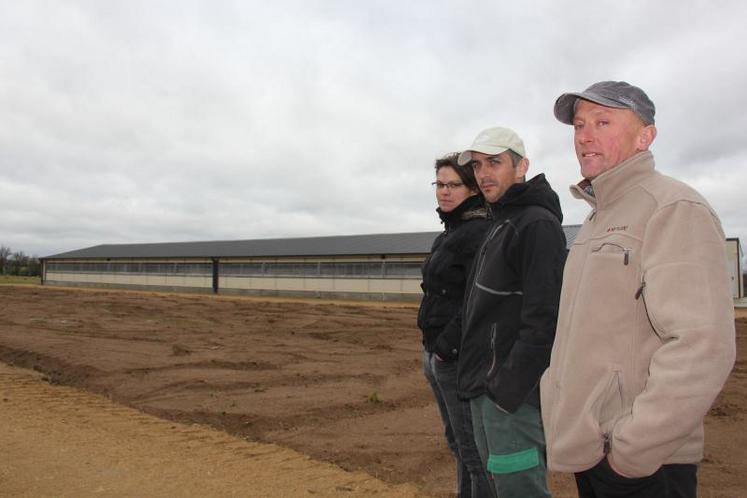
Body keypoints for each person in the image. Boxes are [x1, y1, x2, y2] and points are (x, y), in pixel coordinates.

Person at [540, 81, 737, 498]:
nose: (584, 136)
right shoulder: (596, 220)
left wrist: (631, 452)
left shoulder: (672, 208)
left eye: (603, 121)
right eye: (578, 125)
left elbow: (701, 345)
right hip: (593, 449)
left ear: (645, 136)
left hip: (642, 463)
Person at [438, 127, 566, 497]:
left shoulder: (536, 225)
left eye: (495, 162)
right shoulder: (500, 222)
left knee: (519, 489)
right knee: (496, 485)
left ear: (522, 165)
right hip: (484, 388)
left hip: (510, 398)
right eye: (477, 164)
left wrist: (506, 389)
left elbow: (545, 319)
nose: (483, 173)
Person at [418, 152, 493, 498]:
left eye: (454, 185)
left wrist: (448, 350)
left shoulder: (479, 233)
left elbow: (479, 299)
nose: (444, 192)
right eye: (440, 184)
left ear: (473, 189)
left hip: (459, 355)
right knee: (458, 444)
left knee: (473, 451)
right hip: (436, 351)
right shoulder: (447, 235)